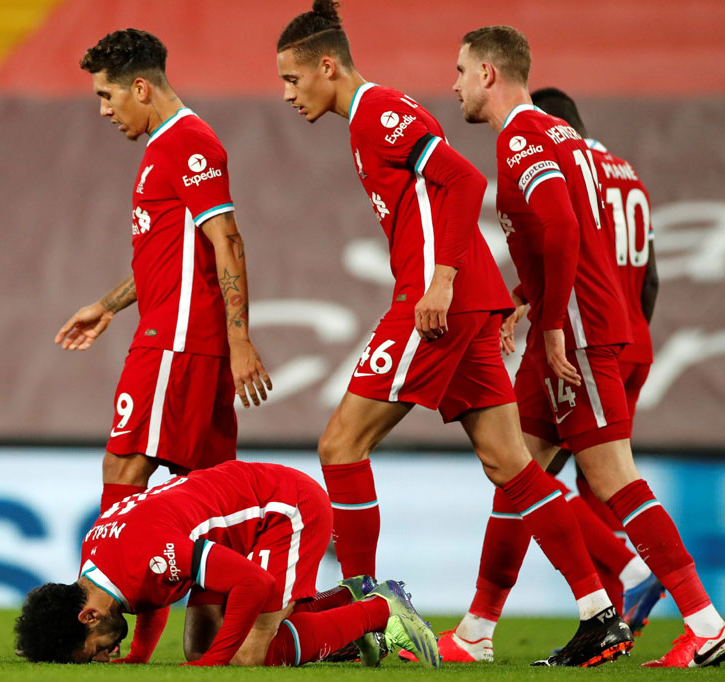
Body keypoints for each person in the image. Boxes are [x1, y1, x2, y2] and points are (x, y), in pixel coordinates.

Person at [274, 2, 629, 667]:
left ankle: (361, 616)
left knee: (340, 445)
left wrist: (439, 280)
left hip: (437, 304)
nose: (289, 95)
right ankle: (599, 612)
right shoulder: (371, 117)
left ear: (328, 66)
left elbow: (464, 180)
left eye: (294, 80)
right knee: (511, 465)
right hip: (469, 302)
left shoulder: (379, 112)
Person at [452, 25, 725, 668]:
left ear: (489, 73)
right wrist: (527, 297)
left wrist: (550, 324)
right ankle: (476, 630)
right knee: (515, 473)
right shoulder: (564, 137)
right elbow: (581, 234)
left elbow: (564, 226)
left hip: (576, 336)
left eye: (461, 70)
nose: (455, 83)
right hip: (578, 326)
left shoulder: (522, 136)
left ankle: (705, 623)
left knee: (612, 477)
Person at [437, 86, 666, 665]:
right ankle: (594, 620)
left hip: (578, 336)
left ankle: (637, 578)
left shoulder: (551, 158)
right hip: (626, 335)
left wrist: (552, 317)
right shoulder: (624, 172)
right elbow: (648, 275)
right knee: (576, 480)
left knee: (530, 473)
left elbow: (566, 241)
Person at [54, 29, 271, 514]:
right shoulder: (167, 145)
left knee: (124, 468)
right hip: (190, 338)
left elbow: (228, 241)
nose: (103, 111)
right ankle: (241, 568)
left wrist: (239, 340)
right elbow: (173, 256)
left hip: (175, 339)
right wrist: (108, 306)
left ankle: (108, 572)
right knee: (211, 492)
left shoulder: (187, 142)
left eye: (106, 95)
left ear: (140, 88)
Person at [13, 460, 441, 667]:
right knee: (198, 648)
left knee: (251, 654)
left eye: (94, 651)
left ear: (88, 616)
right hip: (233, 529)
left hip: (284, 509)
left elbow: (252, 584)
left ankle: (381, 609)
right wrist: (141, 654)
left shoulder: (149, 556)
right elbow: (147, 591)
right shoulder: (98, 563)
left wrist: (216, 663)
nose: (105, 657)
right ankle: (348, 597)